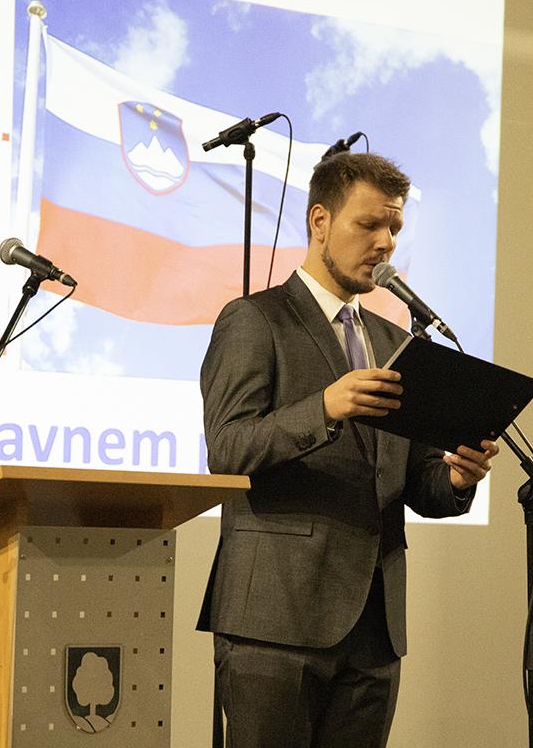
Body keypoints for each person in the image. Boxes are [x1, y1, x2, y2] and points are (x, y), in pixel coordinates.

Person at [197, 152, 499, 748]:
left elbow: (416, 481)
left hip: (374, 630)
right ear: (320, 221)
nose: (385, 242)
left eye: (395, 228)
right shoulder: (255, 320)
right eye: (369, 224)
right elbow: (227, 448)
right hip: (275, 620)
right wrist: (323, 407)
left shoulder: (394, 341)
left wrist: (457, 480)